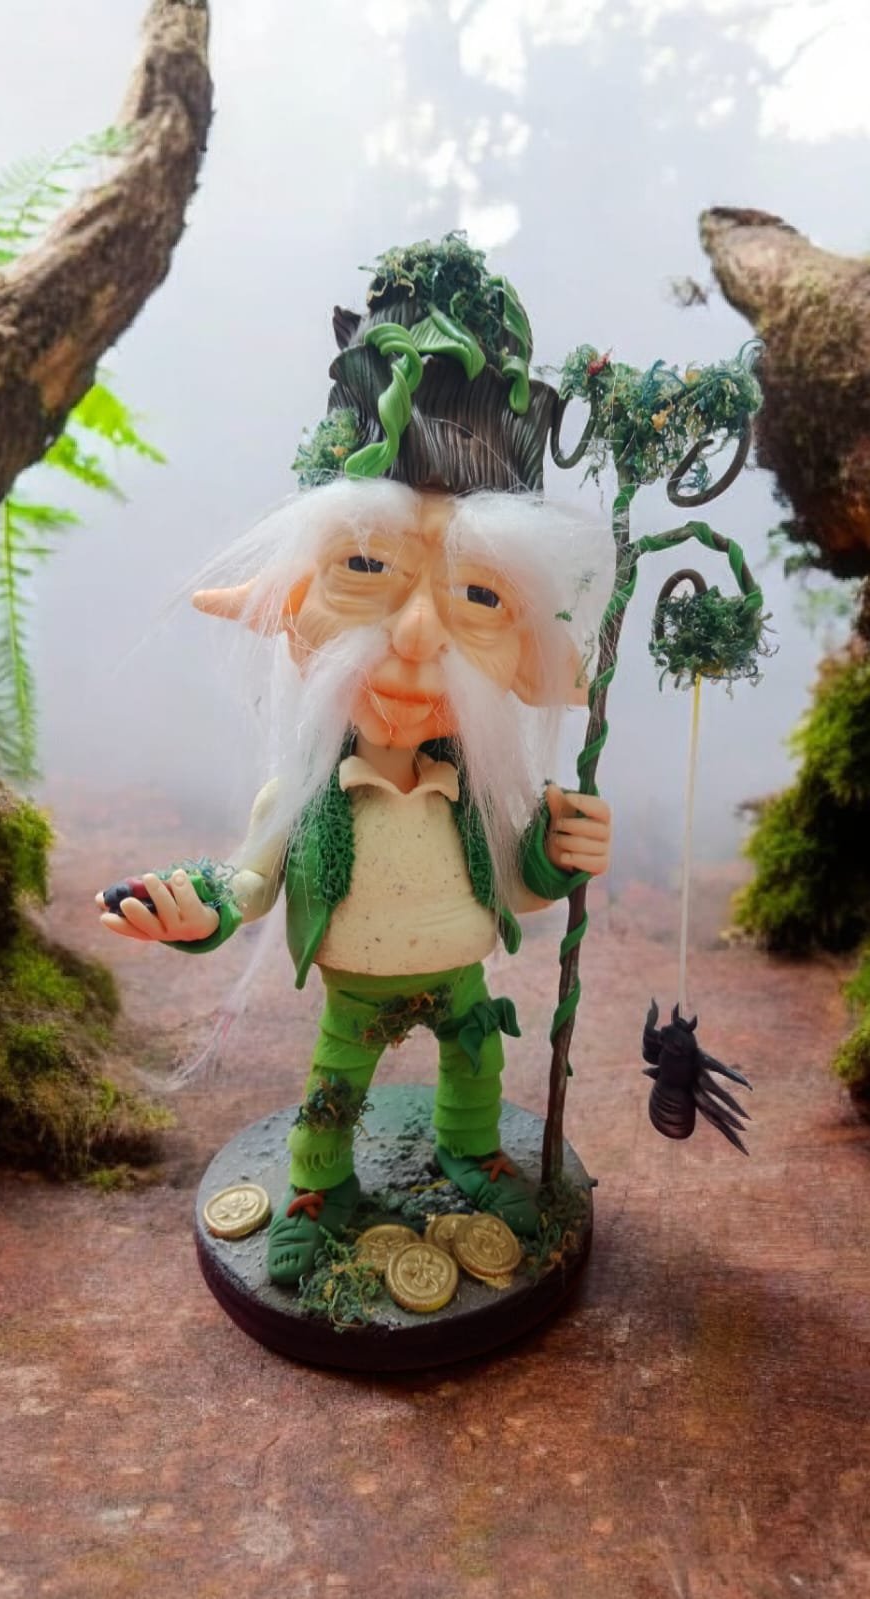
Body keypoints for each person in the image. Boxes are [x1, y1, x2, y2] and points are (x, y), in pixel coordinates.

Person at [98, 238, 615, 1286]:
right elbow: (249, 881)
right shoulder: (305, 788)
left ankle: (473, 1154)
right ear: (289, 608)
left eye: (476, 595)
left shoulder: (482, 788)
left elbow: (520, 880)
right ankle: (318, 1190)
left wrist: (560, 853)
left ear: (525, 652)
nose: (417, 636)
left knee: (476, 1061)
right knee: (334, 1090)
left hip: (458, 978)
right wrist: (199, 907)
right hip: (353, 989)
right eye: (368, 569)